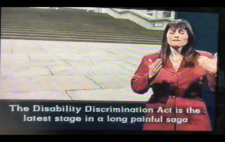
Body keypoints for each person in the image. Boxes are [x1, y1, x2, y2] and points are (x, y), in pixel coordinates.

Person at [131, 19, 217, 131]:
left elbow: (215, 89)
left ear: (189, 36)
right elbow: (137, 88)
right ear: (166, 36)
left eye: (181, 32)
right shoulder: (151, 59)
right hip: (160, 116)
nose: (176, 36)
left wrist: (213, 72)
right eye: (172, 32)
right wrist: (149, 76)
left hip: (194, 116)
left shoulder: (204, 58)